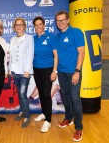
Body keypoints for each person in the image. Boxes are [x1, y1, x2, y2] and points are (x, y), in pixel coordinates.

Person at [55, 10, 85, 142]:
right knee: (65, 97)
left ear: (68, 20)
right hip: (61, 73)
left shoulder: (76, 32)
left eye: (62, 20)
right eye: (58, 21)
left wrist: (77, 71)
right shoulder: (58, 36)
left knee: (75, 98)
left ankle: (79, 128)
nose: (60, 23)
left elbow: (81, 53)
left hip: (73, 73)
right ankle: (68, 118)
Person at [33, 16, 58, 133]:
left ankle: (48, 120)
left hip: (48, 69)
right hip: (36, 69)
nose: (38, 27)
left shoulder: (51, 37)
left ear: (44, 25)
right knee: (41, 93)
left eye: (40, 24)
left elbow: (56, 55)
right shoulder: (33, 39)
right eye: (36, 25)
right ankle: (44, 113)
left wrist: (54, 71)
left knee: (47, 94)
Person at [9, 18, 34, 128]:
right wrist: (10, 69)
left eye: (21, 25)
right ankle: (22, 111)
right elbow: (12, 56)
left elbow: (30, 55)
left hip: (24, 72)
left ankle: (27, 116)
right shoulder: (12, 39)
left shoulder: (29, 38)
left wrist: (27, 70)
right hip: (15, 71)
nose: (18, 26)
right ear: (14, 27)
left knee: (23, 94)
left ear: (24, 26)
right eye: (16, 25)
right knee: (19, 93)